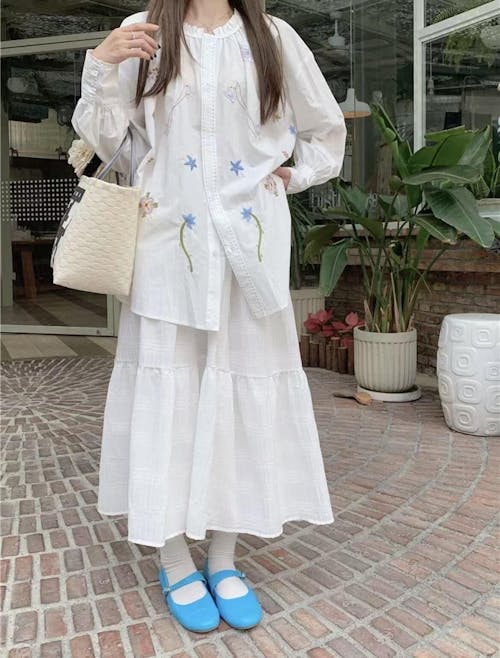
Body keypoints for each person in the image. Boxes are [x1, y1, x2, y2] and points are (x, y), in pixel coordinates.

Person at [72, 0, 346, 634]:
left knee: (237, 399)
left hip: (250, 252)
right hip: (168, 252)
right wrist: (101, 65)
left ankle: (223, 558)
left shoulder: (273, 37)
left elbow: (325, 131)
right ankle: (173, 560)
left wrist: (291, 177)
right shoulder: (144, 30)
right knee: (170, 399)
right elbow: (112, 144)